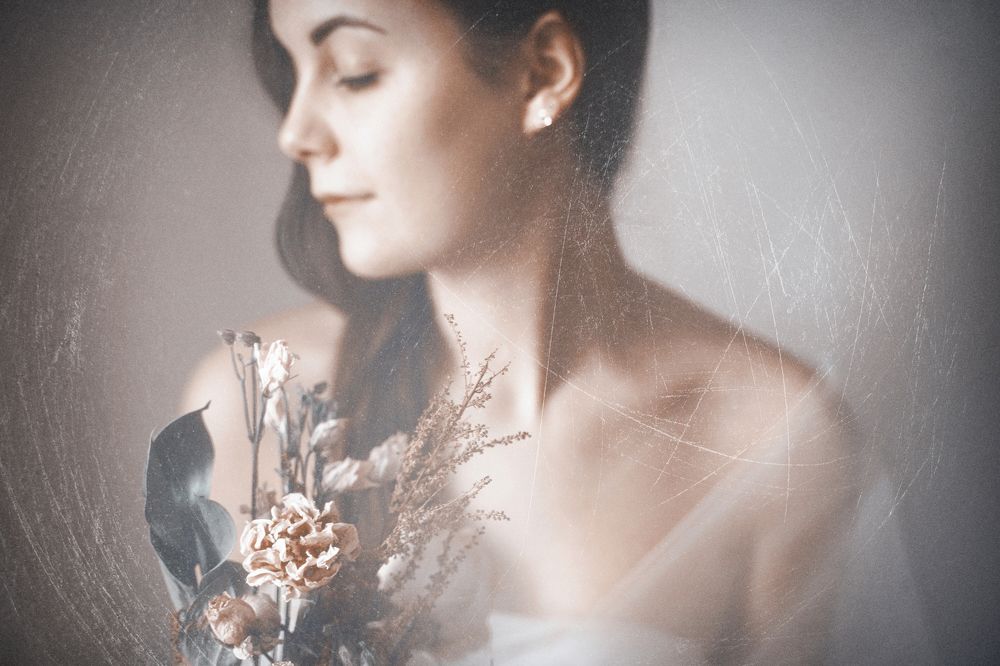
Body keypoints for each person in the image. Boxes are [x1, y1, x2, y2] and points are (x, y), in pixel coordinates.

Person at [182, 1, 863, 662]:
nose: (295, 133)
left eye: (356, 72)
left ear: (543, 71)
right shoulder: (258, 408)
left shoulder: (774, 441)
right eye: (293, 73)